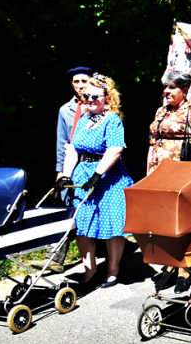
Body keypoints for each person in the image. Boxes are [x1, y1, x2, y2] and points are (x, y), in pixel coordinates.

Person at [57, 74, 134, 289]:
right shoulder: (83, 120)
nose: (90, 99)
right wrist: (65, 174)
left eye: (95, 96)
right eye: (86, 96)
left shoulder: (112, 119)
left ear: (107, 98)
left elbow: (115, 149)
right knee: (82, 225)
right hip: (83, 176)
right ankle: (90, 270)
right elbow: (73, 149)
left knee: (111, 226)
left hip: (109, 178)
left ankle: (112, 269)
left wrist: (98, 174)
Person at [147, 70, 191, 293]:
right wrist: (148, 174)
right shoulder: (160, 111)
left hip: (181, 175)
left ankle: (184, 269)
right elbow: (152, 142)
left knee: (181, 223)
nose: (166, 91)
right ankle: (169, 264)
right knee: (163, 223)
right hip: (158, 174)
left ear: (184, 91)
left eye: (172, 88)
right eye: (165, 87)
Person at [30, 67, 91, 274]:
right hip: (71, 165)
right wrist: (60, 172)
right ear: (71, 84)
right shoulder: (65, 110)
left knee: (91, 208)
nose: (80, 86)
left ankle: (111, 252)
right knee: (66, 208)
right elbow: (61, 142)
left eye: (84, 81)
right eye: (76, 82)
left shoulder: (99, 106)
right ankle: (55, 258)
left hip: (93, 163)